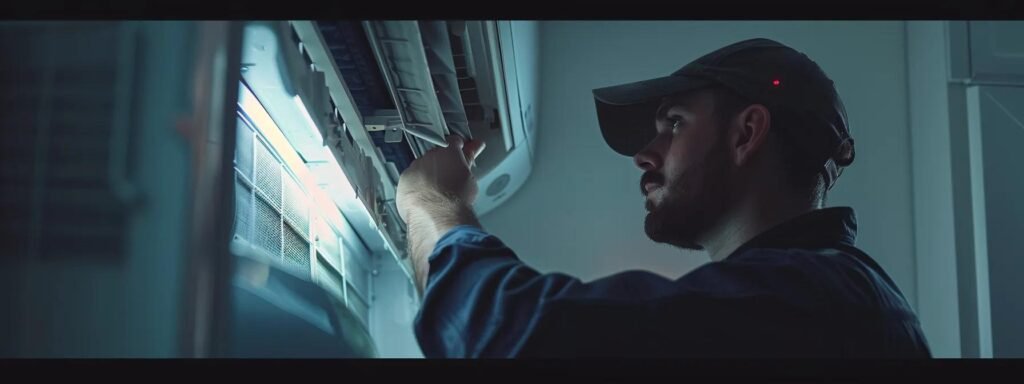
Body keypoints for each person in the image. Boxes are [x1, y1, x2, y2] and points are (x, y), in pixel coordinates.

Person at [394, 38, 932, 357]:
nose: (644, 157)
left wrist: (432, 201)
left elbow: (511, 336)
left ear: (746, 133)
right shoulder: (829, 294)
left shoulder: (812, 300)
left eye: (674, 124)